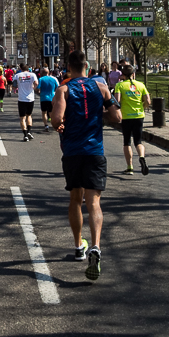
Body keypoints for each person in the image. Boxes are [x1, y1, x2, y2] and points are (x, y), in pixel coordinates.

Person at [51, 50, 121, 281]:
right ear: (88, 67)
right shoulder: (101, 87)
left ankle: (78, 247)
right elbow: (117, 118)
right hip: (94, 151)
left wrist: (63, 125)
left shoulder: (63, 89)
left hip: (72, 151)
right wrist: (98, 117)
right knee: (94, 203)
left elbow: (56, 120)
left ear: (68, 67)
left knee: (75, 199)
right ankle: (96, 246)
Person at [113, 64, 152, 174]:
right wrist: (142, 107)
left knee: (127, 142)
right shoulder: (141, 85)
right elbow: (148, 101)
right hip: (139, 115)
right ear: (133, 74)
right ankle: (142, 157)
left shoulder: (119, 86)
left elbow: (117, 100)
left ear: (123, 75)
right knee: (138, 141)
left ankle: (129, 167)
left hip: (126, 116)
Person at [14, 63, 38, 141]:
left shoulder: (18, 75)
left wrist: (18, 87)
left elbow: (14, 84)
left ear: (21, 68)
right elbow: (36, 83)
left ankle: (25, 135)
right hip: (30, 98)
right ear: (28, 69)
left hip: (21, 98)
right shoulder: (32, 75)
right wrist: (33, 88)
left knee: (22, 118)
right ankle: (29, 131)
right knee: (29, 115)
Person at [37, 66, 59, 132]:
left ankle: (46, 125)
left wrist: (38, 91)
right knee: (51, 112)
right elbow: (57, 88)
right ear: (49, 72)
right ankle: (53, 124)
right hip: (52, 97)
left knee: (44, 112)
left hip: (43, 98)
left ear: (42, 73)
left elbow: (38, 88)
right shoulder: (53, 79)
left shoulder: (41, 79)